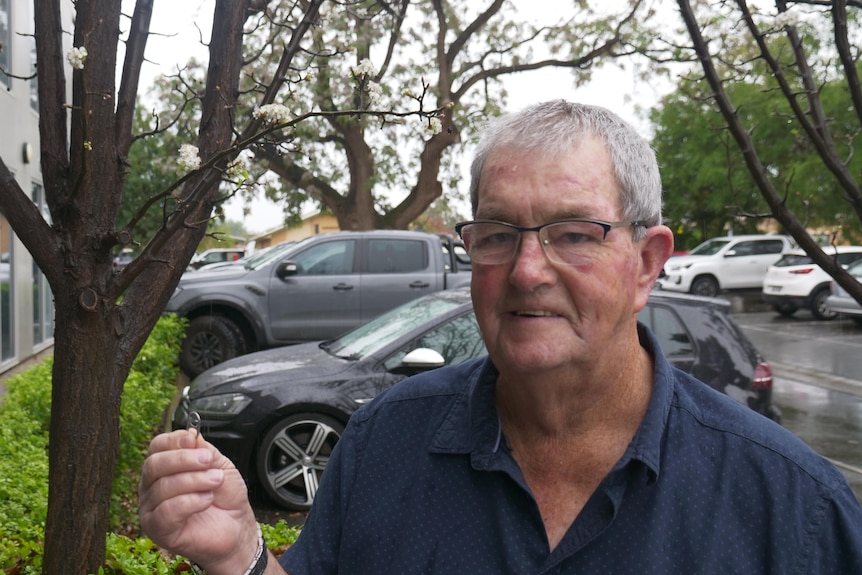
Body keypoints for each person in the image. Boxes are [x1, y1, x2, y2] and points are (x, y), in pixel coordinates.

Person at [139, 100, 862, 574]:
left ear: (646, 263)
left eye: (574, 233)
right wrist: (240, 552)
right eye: (497, 233)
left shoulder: (796, 512)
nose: (526, 270)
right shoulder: (384, 440)